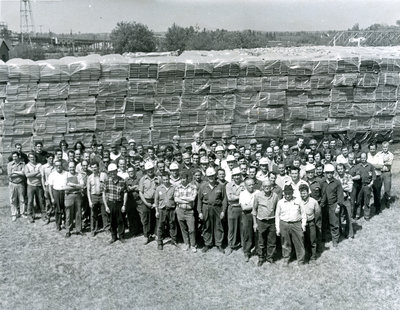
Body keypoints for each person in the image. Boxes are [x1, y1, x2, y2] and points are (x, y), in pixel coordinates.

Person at [198, 167, 227, 253]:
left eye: (212, 176)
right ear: (206, 176)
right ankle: (207, 243)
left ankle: (219, 244)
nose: (211, 177)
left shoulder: (220, 186)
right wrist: (199, 212)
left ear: (215, 176)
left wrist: (223, 211)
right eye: (209, 176)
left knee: (218, 226)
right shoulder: (203, 186)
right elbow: (199, 200)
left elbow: (224, 199)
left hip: (217, 208)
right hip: (206, 208)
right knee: (207, 226)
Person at [275, 184, 307, 266]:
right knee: (285, 243)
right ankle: (286, 259)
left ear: (292, 193)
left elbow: (303, 214)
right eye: (286, 194)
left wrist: (303, 225)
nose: (288, 195)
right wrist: (278, 228)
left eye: (289, 193)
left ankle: (301, 260)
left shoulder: (298, 201)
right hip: (284, 224)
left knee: (299, 242)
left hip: (296, 224)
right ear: (283, 193)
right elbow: (277, 216)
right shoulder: (280, 202)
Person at [253, 179, 279, 266]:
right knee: (261, 241)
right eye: (265, 186)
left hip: (272, 221)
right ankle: (261, 257)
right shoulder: (257, 196)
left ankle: (270, 257)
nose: (266, 188)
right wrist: (255, 223)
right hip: (261, 221)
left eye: (268, 186)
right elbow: (254, 210)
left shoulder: (275, 196)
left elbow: (277, 209)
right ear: (262, 187)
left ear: (271, 187)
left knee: (271, 241)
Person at [103, 163, 127, 244]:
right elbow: (104, 194)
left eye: (114, 171)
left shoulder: (122, 180)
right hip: (110, 203)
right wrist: (106, 206)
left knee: (121, 220)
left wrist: (124, 205)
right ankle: (113, 237)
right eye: (111, 172)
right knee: (112, 221)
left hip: (119, 203)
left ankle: (121, 236)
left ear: (117, 171)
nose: (112, 173)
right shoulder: (107, 181)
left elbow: (125, 193)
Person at [320, 164, 344, 247]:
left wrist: (338, 206)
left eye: (331, 172)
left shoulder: (337, 183)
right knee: (323, 223)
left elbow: (340, 195)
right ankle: (323, 238)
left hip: (333, 205)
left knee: (334, 223)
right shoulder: (322, 182)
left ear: (333, 173)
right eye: (327, 173)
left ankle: (335, 239)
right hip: (323, 206)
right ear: (325, 173)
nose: (329, 174)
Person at [174, 171, 198, 252]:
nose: (183, 180)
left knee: (192, 229)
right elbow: (176, 199)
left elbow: (192, 199)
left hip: (189, 211)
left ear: (188, 178)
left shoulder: (193, 187)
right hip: (180, 210)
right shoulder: (177, 187)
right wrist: (186, 200)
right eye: (182, 178)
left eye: (184, 178)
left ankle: (193, 245)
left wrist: (182, 198)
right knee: (183, 228)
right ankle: (186, 243)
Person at [154, 172, 177, 250]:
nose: (166, 181)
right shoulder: (159, 188)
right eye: (164, 179)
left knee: (172, 225)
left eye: (167, 179)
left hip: (171, 209)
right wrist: (156, 211)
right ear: (162, 180)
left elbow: (176, 199)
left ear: (169, 179)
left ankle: (173, 240)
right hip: (162, 210)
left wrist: (176, 209)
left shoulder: (173, 187)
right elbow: (156, 200)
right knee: (160, 226)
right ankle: (160, 242)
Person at [299, 184, 321, 262]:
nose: (303, 195)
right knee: (303, 240)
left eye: (304, 193)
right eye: (301, 193)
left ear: (308, 192)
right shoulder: (298, 201)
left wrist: (314, 223)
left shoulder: (313, 201)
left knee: (312, 240)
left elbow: (317, 213)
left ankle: (313, 256)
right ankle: (305, 256)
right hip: (301, 224)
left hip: (311, 223)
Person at [225, 167, 245, 255]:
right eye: (235, 175)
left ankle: (244, 246)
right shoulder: (229, 185)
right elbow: (230, 198)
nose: (237, 177)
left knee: (243, 228)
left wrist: (236, 196)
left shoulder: (244, 184)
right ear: (233, 176)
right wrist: (241, 196)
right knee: (231, 228)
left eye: (238, 175)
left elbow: (246, 196)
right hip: (232, 208)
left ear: (241, 176)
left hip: (242, 208)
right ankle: (231, 245)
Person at [139, 161, 159, 244]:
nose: (150, 171)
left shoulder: (158, 178)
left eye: (151, 169)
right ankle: (146, 236)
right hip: (146, 200)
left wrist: (156, 203)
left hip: (156, 201)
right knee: (146, 219)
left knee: (157, 218)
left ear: (153, 169)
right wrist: (146, 203)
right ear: (146, 170)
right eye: (148, 169)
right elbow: (141, 192)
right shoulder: (143, 179)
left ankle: (157, 234)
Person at [239, 178, 258, 262]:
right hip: (247, 215)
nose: (251, 186)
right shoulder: (243, 194)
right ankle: (247, 252)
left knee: (257, 233)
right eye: (249, 185)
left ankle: (258, 250)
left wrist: (249, 205)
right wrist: (254, 206)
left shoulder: (258, 192)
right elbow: (244, 207)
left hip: (257, 215)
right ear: (245, 186)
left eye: (252, 184)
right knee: (247, 233)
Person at [87, 161, 108, 236]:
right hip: (94, 196)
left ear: (98, 167)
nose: (94, 169)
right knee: (93, 214)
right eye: (92, 168)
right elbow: (88, 190)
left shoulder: (104, 175)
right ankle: (93, 229)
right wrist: (89, 201)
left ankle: (106, 228)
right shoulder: (89, 177)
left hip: (102, 195)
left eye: (95, 167)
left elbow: (107, 185)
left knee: (104, 213)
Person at [64, 161, 84, 238]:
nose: (72, 168)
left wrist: (72, 185)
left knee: (78, 213)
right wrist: (77, 186)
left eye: (73, 167)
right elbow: (65, 187)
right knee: (69, 213)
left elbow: (82, 186)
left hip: (78, 196)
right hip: (69, 196)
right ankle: (68, 230)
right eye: (70, 167)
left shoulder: (79, 175)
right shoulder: (65, 175)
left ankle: (79, 229)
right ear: (68, 168)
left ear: (75, 167)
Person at [24, 152, 45, 223]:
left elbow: (41, 174)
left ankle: (43, 214)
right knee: (30, 201)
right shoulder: (27, 165)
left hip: (39, 185)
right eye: (30, 157)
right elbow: (27, 175)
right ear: (28, 158)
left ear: (35, 157)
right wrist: (36, 172)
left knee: (41, 200)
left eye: (33, 157)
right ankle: (30, 215)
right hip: (30, 185)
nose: (32, 158)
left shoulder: (39, 165)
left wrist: (32, 174)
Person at [335, 163, 354, 238]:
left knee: (348, 216)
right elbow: (334, 189)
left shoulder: (349, 176)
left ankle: (350, 234)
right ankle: (339, 233)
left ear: (344, 169)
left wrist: (340, 187)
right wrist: (344, 187)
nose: (340, 171)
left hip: (346, 199)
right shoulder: (335, 177)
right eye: (338, 169)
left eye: (341, 169)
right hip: (337, 199)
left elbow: (350, 189)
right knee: (337, 217)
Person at [48, 160, 67, 231]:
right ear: (55, 166)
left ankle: (65, 223)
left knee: (65, 208)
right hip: (56, 192)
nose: (58, 167)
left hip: (65, 192)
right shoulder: (52, 174)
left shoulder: (66, 173)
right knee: (57, 209)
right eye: (56, 165)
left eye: (59, 165)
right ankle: (58, 224)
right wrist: (52, 197)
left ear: (62, 165)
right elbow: (50, 187)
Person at [7, 151, 26, 221]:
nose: (14, 158)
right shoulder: (9, 164)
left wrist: (14, 172)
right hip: (12, 184)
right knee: (13, 199)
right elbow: (9, 175)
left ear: (19, 156)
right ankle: (14, 214)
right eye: (13, 157)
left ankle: (22, 213)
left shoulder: (23, 163)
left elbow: (23, 173)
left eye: (16, 156)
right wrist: (19, 173)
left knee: (22, 199)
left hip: (21, 183)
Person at [356, 153, 376, 220]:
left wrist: (371, 183)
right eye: (362, 158)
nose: (363, 159)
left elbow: (373, 175)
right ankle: (357, 214)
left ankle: (366, 215)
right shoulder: (358, 166)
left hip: (367, 185)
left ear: (366, 158)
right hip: (360, 185)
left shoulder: (370, 166)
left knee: (366, 201)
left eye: (364, 158)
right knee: (358, 200)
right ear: (360, 158)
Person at [125, 166, 142, 236]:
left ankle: (141, 229)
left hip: (138, 200)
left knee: (141, 215)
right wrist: (134, 187)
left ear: (134, 171)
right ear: (127, 172)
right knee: (131, 216)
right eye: (129, 172)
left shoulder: (139, 179)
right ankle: (133, 231)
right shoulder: (126, 180)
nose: (131, 173)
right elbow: (126, 189)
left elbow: (140, 188)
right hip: (130, 201)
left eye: (132, 171)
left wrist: (132, 188)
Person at [367, 143, 384, 215]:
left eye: (373, 149)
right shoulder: (367, 155)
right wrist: (374, 165)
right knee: (367, 193)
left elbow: (380, 166)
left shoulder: (379, 156)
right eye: (371, 149)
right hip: (368, 177)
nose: (372, 150)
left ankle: (377, 208)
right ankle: (366, 209)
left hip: (377, 176)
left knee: (377, 193)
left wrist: (370, 165)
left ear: (376, 149)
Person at [41, 153, 55, 224]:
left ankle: (57, 217)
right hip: (47, 186)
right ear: (47, 159)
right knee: (48, 202)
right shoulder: (44, 167)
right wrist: (44, 187)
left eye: (52, 158)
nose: (51, 160)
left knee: (55, 202)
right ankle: (48, 217)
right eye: (49, 158)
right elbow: (42, 178)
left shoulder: (55, 166)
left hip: (55, 187)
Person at [379, 141, 394, 207]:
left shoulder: (391, 154)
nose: (385, 148)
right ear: (382, 147)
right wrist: (385, 161)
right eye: (384, 147)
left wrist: (382, 162)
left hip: (387, 172)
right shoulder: (379, 154)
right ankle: (378, 202)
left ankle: (387, 201)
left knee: (387, 188)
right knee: (378, 187)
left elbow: (389, 163)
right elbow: (377, 161)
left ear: (388, 147)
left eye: (386, 147)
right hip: (379, 172)